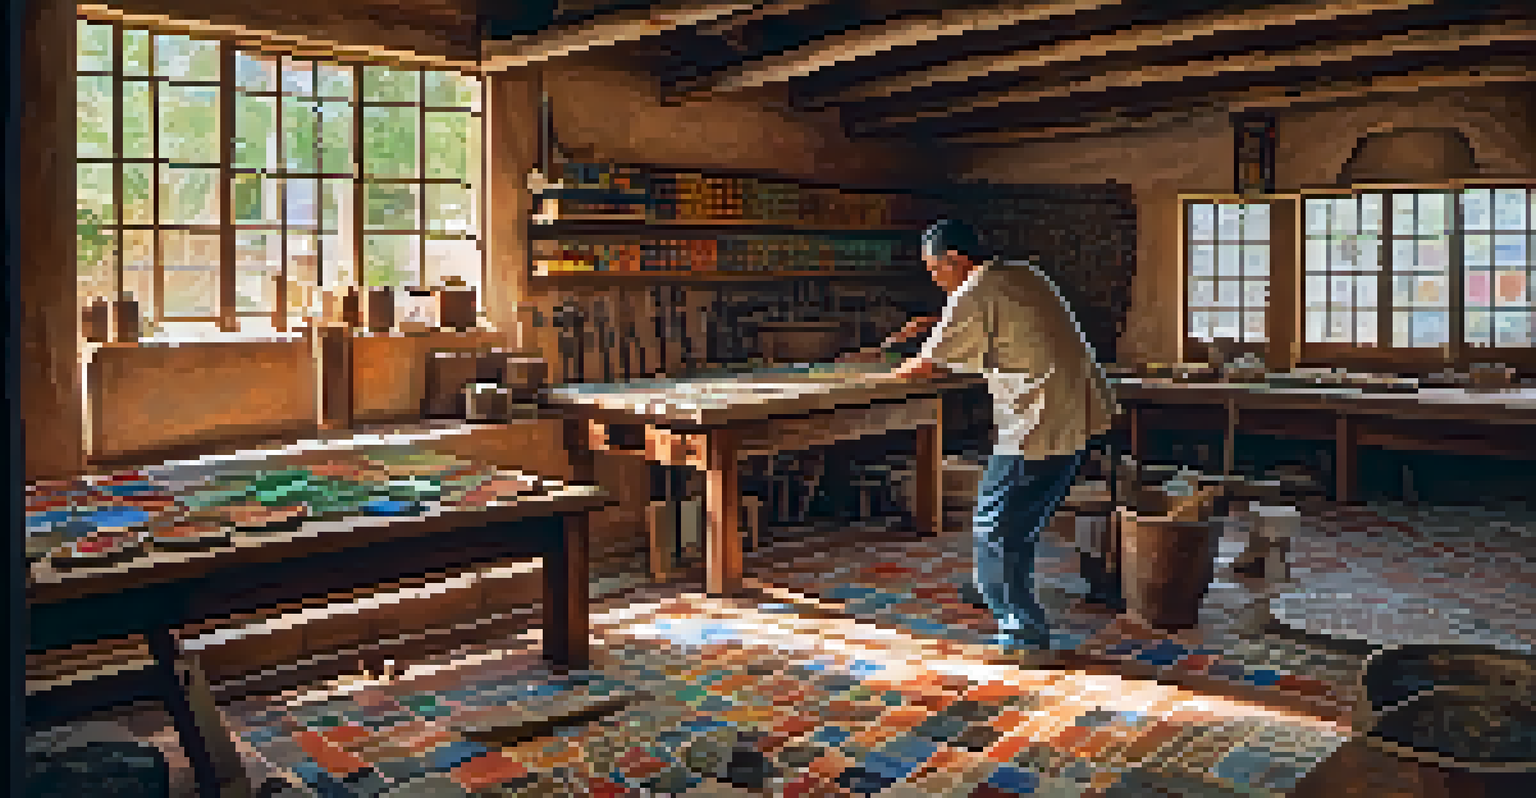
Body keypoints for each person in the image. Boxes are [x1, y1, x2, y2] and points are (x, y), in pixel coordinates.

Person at [881, 219, 1118, 650]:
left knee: (997, 525)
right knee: (1019, 519)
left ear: (955, 260)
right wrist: (933, 323)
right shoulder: (1021, 274)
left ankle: (1022, 632)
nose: (935, 279)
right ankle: (991, 586)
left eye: (935, 269)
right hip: (1079, 414)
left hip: (1039, 423)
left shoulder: (973, 294)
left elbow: (927, 367)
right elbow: (1000, 318)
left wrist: (870, 379)